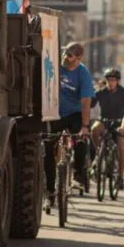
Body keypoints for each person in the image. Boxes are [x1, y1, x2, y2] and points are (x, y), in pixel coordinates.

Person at [44, 42, 94, 195]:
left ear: (78, 59)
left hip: (74, 114)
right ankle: (50, 190)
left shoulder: (83, 73)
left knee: (80, 138)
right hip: (55, 112)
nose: (65, 57)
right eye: (65, 53)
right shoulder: (56, 66)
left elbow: (86, 101)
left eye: (70, 56)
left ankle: (78, 174)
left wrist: (85, 126)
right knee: (47, 147)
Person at [92, 68, 124, 187]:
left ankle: (120, 177)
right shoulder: (100, 92)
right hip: (104, 121)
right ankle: (99, 152)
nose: (111, 82)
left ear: (117, 81)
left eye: (113, 80)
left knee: (121, 149)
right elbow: (90, 103)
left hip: (119, 123)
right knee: (94, 129)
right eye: (109, 80)